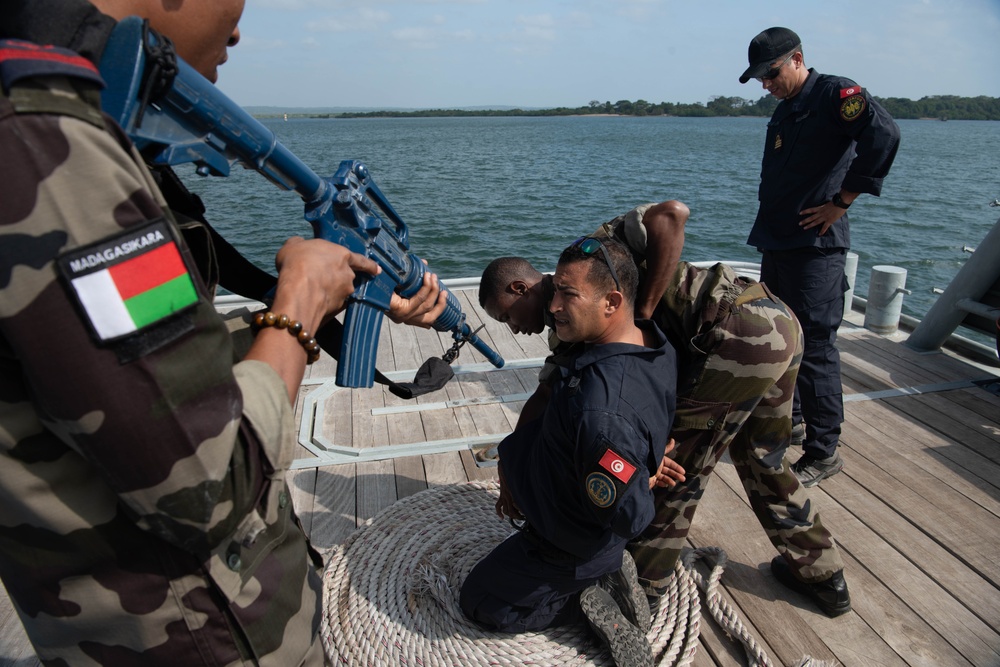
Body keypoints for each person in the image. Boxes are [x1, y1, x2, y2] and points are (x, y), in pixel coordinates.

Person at [0, 1, 442, 665]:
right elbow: (209, 481)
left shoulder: (55, 110)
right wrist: (299, 303)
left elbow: (130, 359)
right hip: (196, 631)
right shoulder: (48, 139)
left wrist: (337, 300)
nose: (238, 30)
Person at [479, 201, 852, 619]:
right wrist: (510, 460)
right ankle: (823, 576)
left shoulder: (596, 255)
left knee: (672, 467)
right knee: (763, 457)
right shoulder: (570, 328)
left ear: (519, 289)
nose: (514, 329)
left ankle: (643, 590)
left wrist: (641, 314)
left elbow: (670, 216)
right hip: (774, 321)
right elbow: (545, 397)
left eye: (507, 317)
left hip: (732, 334)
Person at [460, 237, 677, 667]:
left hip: (567, 545)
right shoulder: (644, 343)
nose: (554, 305)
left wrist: (642, 477)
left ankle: (586, 599)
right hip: (556, 505)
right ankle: (599, 573)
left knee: (480, 601)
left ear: (612, 301)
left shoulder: (603, 413)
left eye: (569, 295)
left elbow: (629, 514)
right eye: (555, 289)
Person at [739, 27, 901, 487]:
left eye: (769, 74)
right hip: (779, 242)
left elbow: (883, 136)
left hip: (815, 250)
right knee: (784, 341)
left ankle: (824, 449)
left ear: (796, 59)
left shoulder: (835, 94)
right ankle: (793, 422)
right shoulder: (788, 108)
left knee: (816, 349)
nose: (765, 85)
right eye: (758, 79)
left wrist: (843, 200)